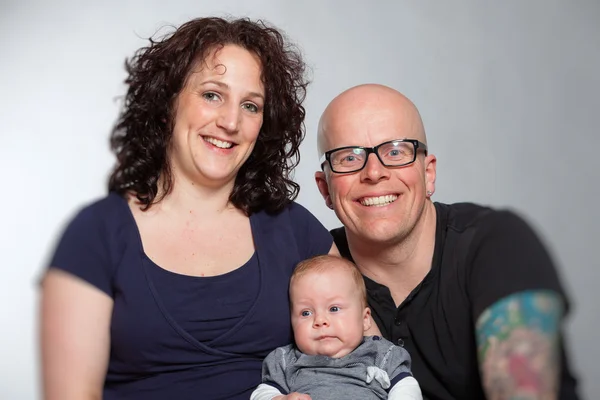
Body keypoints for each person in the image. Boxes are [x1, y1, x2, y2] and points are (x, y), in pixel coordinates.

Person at [40, 17, 337, 400]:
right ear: (168, 103)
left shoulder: (296, 230)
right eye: (212, 94)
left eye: (250, 105)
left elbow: (370, 365)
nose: (230, 121)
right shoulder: (97, 234)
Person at [314, 84, 580, 400]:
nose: (374, 172)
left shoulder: (498, 243)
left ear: (429, 174)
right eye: (348, 157)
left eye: (396, 151)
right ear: (325, 189)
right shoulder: (311, 271)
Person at [251, 255, 422, 400]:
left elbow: (406, 386)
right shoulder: (286, 360)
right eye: (306, 313)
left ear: (365, 319)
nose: (320, 320)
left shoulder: (381, 353)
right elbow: (263, 392)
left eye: (334, 309)